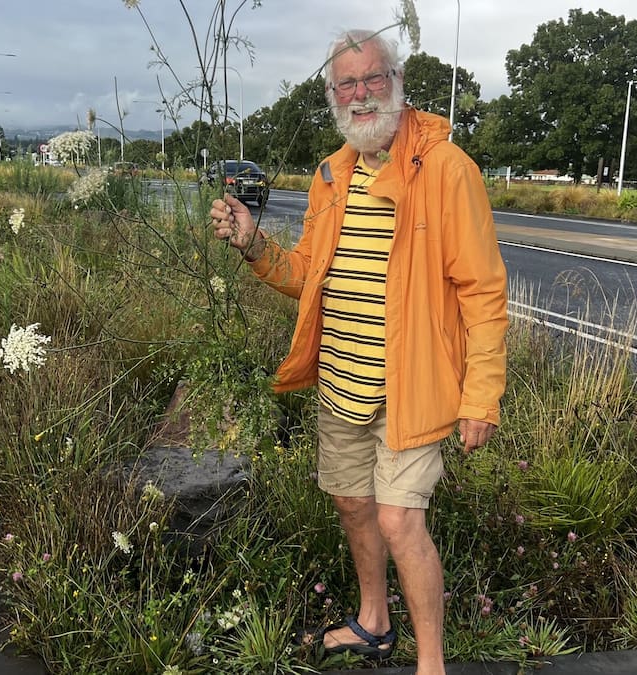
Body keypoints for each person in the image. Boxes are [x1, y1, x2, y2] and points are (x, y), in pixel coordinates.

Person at [209, 28, 508, 674]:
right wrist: (254, 243)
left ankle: (432, 663)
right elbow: (306, 273)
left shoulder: (448, 170)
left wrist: (481, 394)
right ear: (331, 94)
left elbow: (483, 291)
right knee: (352, 503)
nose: (362, 93)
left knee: (401, 522)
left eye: (373, 78)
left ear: (398, 83)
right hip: (341, 385)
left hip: (412, 390)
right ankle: (374, 620)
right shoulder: (331, 176)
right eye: (348, 83)